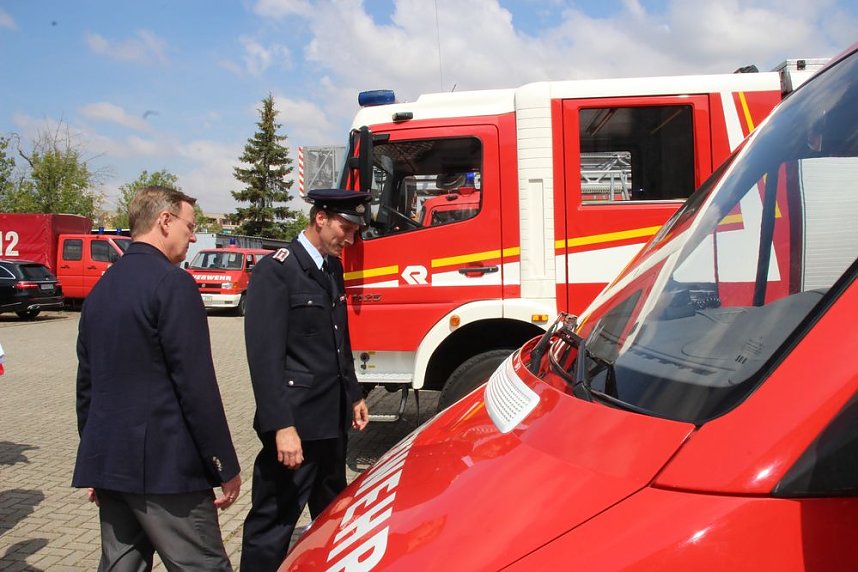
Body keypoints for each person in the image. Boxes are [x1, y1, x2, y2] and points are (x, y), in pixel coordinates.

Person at [72, 186, 241, 571]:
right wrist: (223, 464)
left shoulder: (101, 289)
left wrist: (97, 459)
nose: (194, 236)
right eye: (190, 226)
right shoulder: (173, 284)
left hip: (112, 465)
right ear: (165, 221)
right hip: (167, 473)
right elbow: (196, 387)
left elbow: (88, 387)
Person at [241, 188, 371, 570]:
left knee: (334, 518)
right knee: (274, 521)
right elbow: (263, 360)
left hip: (330, 425)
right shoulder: (277, 270)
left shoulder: (331, 267)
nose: (349, 240)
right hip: (295, 427)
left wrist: (354, 395)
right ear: (320, 218)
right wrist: (281, 426)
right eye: (345, 229)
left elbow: (338, 340)